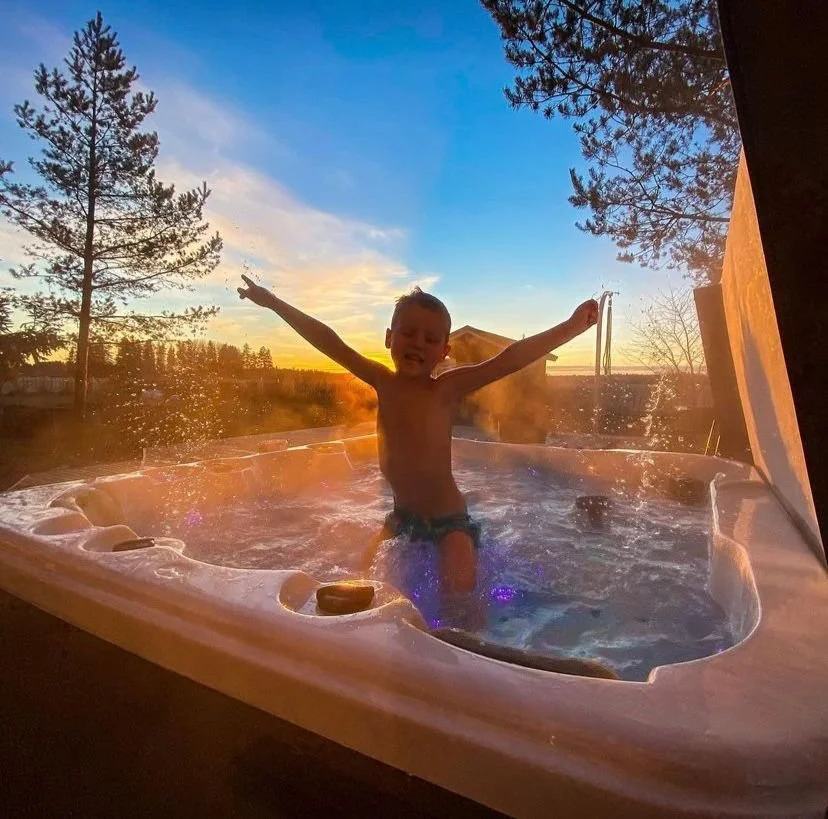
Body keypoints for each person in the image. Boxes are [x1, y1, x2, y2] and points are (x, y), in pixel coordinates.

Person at [237, 274, 598, 599]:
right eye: (408, 333)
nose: (418, 344)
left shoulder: (444, 389)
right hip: (402, 517)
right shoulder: (382, 381)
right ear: (389, 338)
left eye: (431, 338)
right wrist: (274, 302)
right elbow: (330, 342)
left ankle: (465, 640)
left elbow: (509, 360)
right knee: (360, 580)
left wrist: (569, 327)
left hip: (448, 521)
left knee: (461, 594)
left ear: (444, 352)